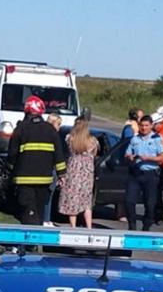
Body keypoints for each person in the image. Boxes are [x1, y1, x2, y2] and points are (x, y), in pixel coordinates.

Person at [8, 96, 67, 225]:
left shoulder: (20, 129)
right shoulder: (51, 130)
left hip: (24, 181)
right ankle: (34, 242)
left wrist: (10, 170)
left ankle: (28, 243)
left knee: (28, 213)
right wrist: (62, 174)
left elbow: (12, 155)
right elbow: (59, 155)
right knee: (39, 213)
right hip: (44, 181)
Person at [124, 115, 163, 231]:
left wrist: (148, 158)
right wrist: (130, 157)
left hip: (150, 174)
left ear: (151, 126)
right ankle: (132, 226)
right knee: (129, 201)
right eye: (142, 126)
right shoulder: (134, 139)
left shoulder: (157, 139)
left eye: (146, 126)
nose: (144, 128)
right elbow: (127, 154)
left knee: (150, 203)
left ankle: (146, 226)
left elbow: (162, 158)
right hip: (136, 173)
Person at [58, 118, 99, 228]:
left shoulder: (70, 139)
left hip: (73, 171)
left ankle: (73, 226)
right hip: (87, 173)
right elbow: (94, 155)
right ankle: (89, 227)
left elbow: (67, 152)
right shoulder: (93, 141)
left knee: (73, 199)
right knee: (86, 201)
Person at [42, 113, 63, 225]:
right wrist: (62, 173)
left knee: (49, 196)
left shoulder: (48, 134)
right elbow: (57, 155)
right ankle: (45, 219)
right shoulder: (52, 136)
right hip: (49, 169)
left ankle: (47, 218)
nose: (59, 127)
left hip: (51, 169)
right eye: (58, 124)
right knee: (47, 195)